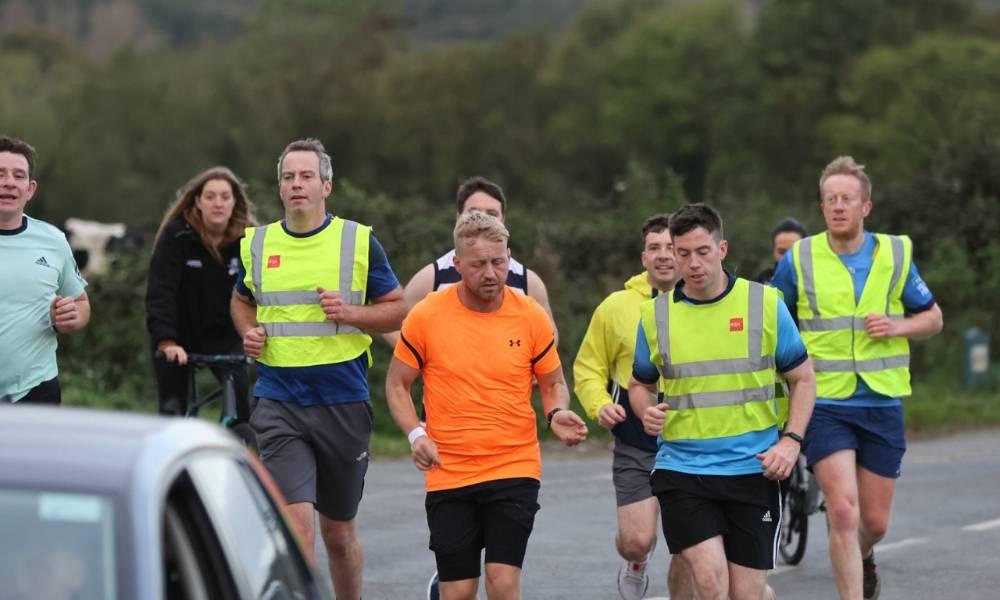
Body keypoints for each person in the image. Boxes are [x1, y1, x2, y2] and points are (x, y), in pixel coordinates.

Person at [231, 138, 405, 600]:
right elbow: (241, 300)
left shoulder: (357, 240)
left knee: (339, 534)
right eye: (288, 177)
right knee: (297, 527)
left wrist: (351, 313)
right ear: (280, 187)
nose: (296, 185)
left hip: (342, 402)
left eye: (306, 176)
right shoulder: (259, 242)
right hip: (279, 401)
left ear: (326, 186)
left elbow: (397, 310)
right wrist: (248, 332)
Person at [385, 211, 587, 600]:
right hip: (449, 469)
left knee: (502, 580)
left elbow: (553, 381)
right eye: (478, 265)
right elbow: (397, 384)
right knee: (458, 591)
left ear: (509, 257)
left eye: (499, 262)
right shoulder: (428, 313)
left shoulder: (530, 314)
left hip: (514, 465)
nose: (491, 273)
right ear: (458, 264)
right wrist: (415, 434)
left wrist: (557, 412)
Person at [770, 156, 943, 600]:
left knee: (874, 523)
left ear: (866, 206)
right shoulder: (801, 258)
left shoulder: (895, 253)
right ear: (822, 206)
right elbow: (771, 318)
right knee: (843, 513)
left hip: (882, 401)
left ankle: (865, 556)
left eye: (847, 198)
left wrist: (897, 326)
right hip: (824, 402)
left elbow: (934, 318)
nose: (838, 206)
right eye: (830, 199)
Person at [629, 203, 816, 600]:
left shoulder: (765, 304)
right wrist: (645, 409)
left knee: (746, 594)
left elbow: (803, 378)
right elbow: (639, 384)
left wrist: (791, 440)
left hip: (753, 471)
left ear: (723, 249)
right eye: (683, 254)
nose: (693, 263)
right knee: (711, 583)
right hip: (683, 469)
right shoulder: (655, 316)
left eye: (703, 252)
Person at [573, 213, 694, 600]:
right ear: (643, 258)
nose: (663, 256)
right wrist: (599, 405)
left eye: (671, 248)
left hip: (693, 441)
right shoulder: (616, 307)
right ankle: (636, 563)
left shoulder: (705, 301)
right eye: (654, 248)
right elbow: (588, 367)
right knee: (637, 540)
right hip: (635, 439)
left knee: (689, 547)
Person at [384, 175, 554, 348]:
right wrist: (426, 359)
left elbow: (550, 336)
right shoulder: (432, 277)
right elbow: (390, 323)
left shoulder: (528, 281)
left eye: (492, 214)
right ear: (459, 218)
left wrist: (530, 368)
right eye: (474, 212)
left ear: (503, 220)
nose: (482, 219)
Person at [145, 166, 256, 416]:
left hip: (226, 336)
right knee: (173, 412)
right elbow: (160, 292)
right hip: (179, 335)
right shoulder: (176, 236)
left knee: (242, 409)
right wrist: (166, 340)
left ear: (234, 202)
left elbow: (260, 294)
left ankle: (236, 442)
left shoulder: (248, 241)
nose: (218, 203)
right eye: (210, 196)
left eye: (225, 197)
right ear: (197, 201)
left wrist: (255, 334)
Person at [0, 135, 89, 405]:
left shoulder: (53, 241)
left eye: (19, 176)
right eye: (1, 174)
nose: (9, 183)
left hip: (35, 391)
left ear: (30, 189)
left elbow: (81, 303)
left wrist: (72, 317)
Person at [756, 218, 808, 284]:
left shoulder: (814, 283)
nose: (787, 257)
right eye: (782, 252)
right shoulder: (762, 281)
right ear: (773, 251)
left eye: (793, 252)